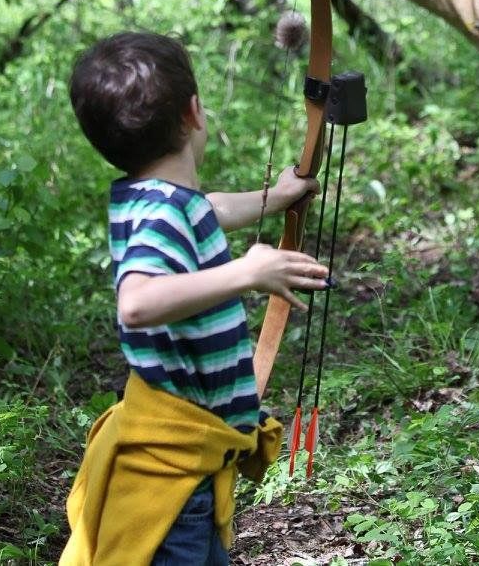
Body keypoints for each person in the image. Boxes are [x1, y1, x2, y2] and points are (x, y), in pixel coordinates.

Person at [61, 31, 330, 565]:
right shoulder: (160, 218)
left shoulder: (161, 201)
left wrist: (278, 196)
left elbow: (213, 208)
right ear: (194, 113)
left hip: (193, 462)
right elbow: (136, 302)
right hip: (171, 467)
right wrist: (246, 272)